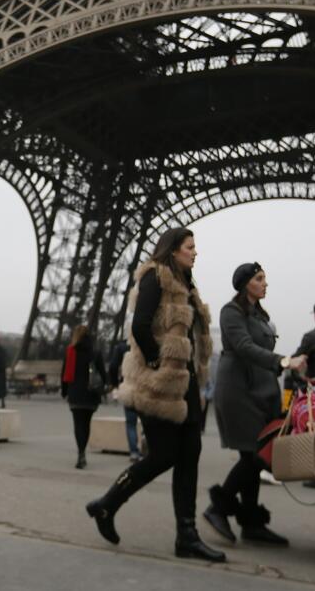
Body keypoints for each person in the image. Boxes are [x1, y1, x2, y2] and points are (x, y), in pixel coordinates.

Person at [85, 228, 225, 563]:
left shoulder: (188, 286)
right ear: (174, 250)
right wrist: (157, 362)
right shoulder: (155, 276)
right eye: (191, 247)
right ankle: (107, 505)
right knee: (163, 455)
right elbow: (140, 326)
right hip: (160, 385)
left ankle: (187, 536)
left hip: (187, 385)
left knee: (190, 453)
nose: (195, 252)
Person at [203, 262, 307, 547]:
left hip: (261, 390)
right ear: (245, 283)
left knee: (254, 454)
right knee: (255, 455)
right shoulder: (231, 311)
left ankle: (250, 522)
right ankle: (219, 507)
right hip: (238, 389)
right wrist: (284, 362)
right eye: (260, 279)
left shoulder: (260, 315)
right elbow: (243, 347)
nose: (265, 283)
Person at [61, 324, 107, 468]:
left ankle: (81, 453)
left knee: (78, 424)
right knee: (86, 424)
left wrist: (64, 391)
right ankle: (82, 451)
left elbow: (64, 374)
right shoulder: (95, 352)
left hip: (75, 393)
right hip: (91, 394)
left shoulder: (70, 352)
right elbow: (103, 374)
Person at [108, 339, 141, 462]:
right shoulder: (148, 343)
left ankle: (134, 452)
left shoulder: (122, 348)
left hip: (128, 387)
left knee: (131, 423)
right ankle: (146, 444)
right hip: (144, 387)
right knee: (147, 421)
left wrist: (114, 384)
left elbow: (112, 366)